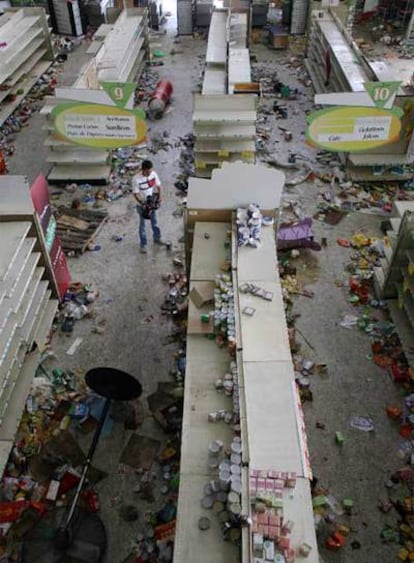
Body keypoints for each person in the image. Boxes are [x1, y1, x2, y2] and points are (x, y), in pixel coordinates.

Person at [132, 159, 163, 253]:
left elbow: (159, 186)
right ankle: (143, 245)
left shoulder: (153, 174)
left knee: (155, 222)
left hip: (151, 201)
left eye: (150, 171)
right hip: (141, 204)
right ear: (143, 170)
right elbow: (136, 194)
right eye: (147, 172)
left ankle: (157, 238)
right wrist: (143, 203)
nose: (149, 173)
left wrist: (160, 197)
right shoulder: (136, 179)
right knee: (142, 225)